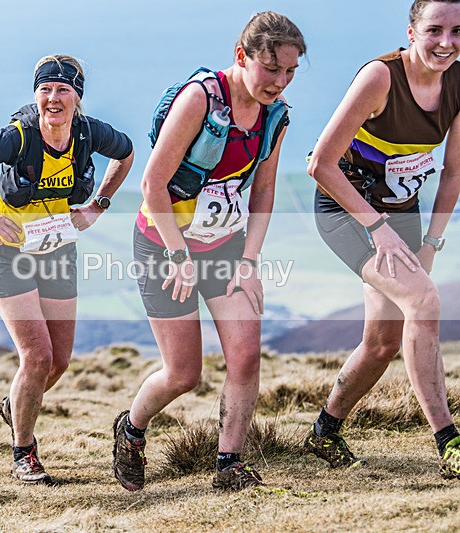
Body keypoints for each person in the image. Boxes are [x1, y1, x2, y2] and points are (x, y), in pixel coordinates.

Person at [112, 11, 306, 492]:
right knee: (183, 374)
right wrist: (179, 256)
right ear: (241, 56)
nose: (279, 83)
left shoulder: (274, 117)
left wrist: (249, 261)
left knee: (245, 358)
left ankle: (229, 465)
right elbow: (153, 185)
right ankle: (131, 430)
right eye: (271, 69)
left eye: (290, 73)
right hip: (163, 245)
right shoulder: (200, 99)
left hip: (224, 245)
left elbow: (263, 192)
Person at [0, 54, 133, 484]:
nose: (53, 98)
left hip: (57, 250)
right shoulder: (16, 138)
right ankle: (24, 451)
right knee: (37, 356)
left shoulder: (89, 133)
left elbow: (127, 153)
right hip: (7, 251)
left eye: (63, 90)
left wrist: (99, 204)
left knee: (58, 361)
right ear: (35, 94)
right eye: (45, 89)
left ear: (78, 98)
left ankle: (14, 403)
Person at [304, 0, 460, 478]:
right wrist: (376, 228)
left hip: (402, 213)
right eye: (435, 30)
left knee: (382, 340)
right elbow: (319, 165)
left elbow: (453, 172)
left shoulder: (458, 80)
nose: (446, 43)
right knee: (425, 301)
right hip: (347, 209)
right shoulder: (380, 78)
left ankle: (323, 433)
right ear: (411, 31)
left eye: (458, 31)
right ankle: (449, 442)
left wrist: (432, 242)